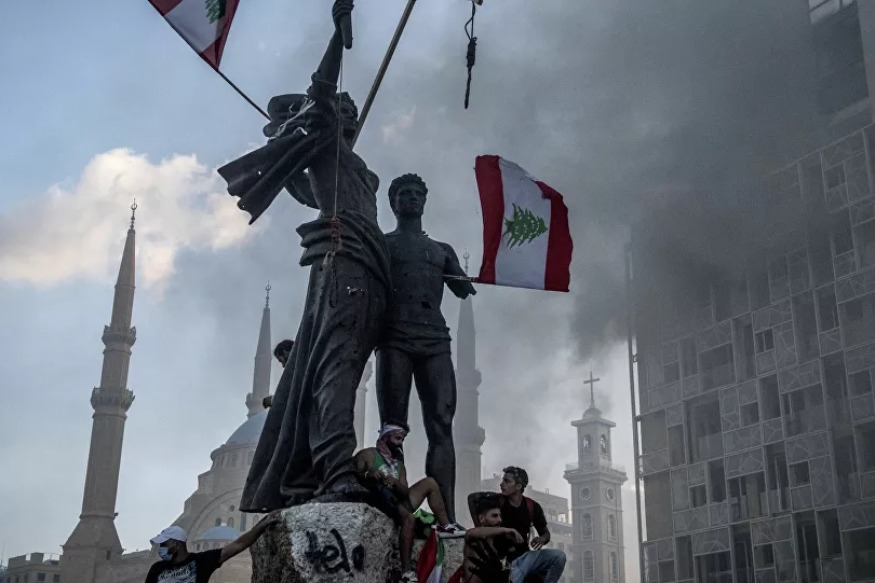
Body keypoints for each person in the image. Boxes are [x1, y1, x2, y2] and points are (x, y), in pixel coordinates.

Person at [220, 0, 392, 510]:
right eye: (338, 107)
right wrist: (338, 34)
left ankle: (331, 464)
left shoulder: (345, 159)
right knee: (335, 368)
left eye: (349, 109)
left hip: (368, 261)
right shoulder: (323, 148)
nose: (346, 110)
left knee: (346, 366)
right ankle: (336, 471)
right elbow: (321, 90)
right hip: (344, 261)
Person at [375, 173, 475, 522]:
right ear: (394, 202)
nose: (412, 198)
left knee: (441, 424)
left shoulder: (440, 251)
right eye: (405, 193)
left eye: (418, 193)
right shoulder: (382, 244)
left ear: (425, 201)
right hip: (394, 337)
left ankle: (446, 516)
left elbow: (463, 289)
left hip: (434, 338)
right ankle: (393, 510)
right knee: (393, 428)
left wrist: (467, 277)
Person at [355, 423, 464, 583]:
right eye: (397, 438)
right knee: (409, 518)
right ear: (385, 437)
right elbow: (354, 474)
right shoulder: (367, 455)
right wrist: (370, 475)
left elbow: (404, 492)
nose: (400, 443)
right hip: (376, 500)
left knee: (430, 483)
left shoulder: (398, 465)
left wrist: (394, 482)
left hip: (395, 502)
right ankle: (407, 571)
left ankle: (446, 526)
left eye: (402, 439)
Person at [471, 467, 566, 583]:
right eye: (503, 480)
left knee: (559, 556)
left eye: (507, 481)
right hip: (503, 560)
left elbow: (546, 533)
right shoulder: (498, 501)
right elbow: (472, 498)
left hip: (525, 557)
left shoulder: (532, 506)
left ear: (518, 486)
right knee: (512, 577)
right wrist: (480, 526)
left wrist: (541, 539)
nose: (501, 484)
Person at [144, 510, 281, 582]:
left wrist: (262, 524)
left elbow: (239, 544)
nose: (161, 547)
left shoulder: (201, 561)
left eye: (164, 543)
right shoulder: (157, 568)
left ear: (176, 544)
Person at [462, 493, 524, 583]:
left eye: (500, 516)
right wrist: (508, 530)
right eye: (494, 516)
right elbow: (472, 533)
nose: (499, 520)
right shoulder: (473, 539)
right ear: (482, 518)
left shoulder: (499, 545)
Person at [263, 340, 294, 409]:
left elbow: (291, 394)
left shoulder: (298, 369)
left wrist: (272, 400)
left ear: (286, 352)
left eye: (281, 360)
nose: (283, 365)